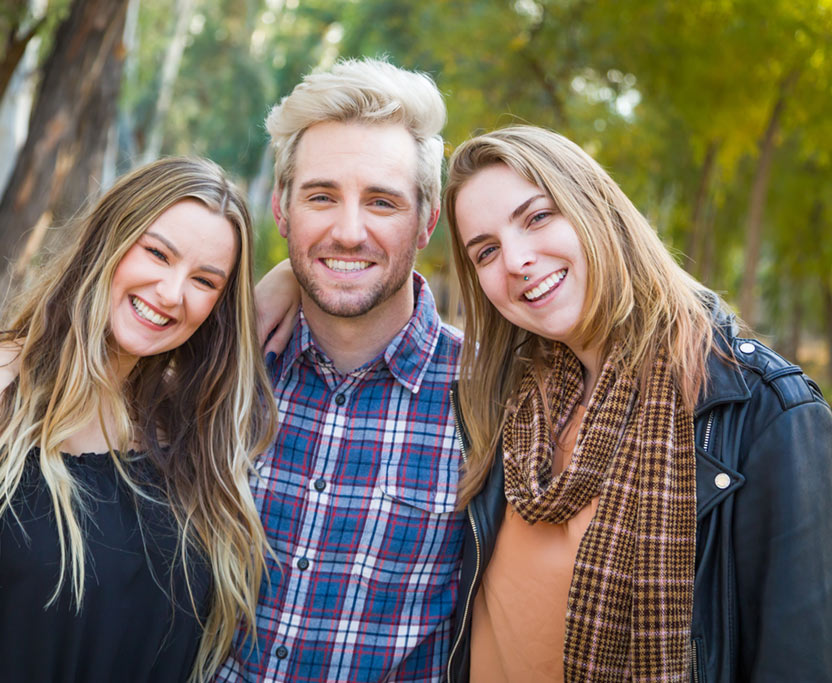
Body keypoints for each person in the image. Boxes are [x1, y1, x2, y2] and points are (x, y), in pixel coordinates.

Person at [0, 157, 276, 683]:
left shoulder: (183, 430)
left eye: (205, 282)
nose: (171, 293)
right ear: (107, 243)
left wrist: (292, 283)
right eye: (157, 253)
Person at [441, 125, 832, 682]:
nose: (517, 260)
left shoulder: (765, 412)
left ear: (596, 207)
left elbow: (799, 662)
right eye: (486, 251)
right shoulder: (505, 400)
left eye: (537, 217)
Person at [214, 58, 466, 682]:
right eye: (321, 196)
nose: (348, 232)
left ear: (427, 221)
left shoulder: (492, 398)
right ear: (281, 209)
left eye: (382, 202)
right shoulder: (219, 367)